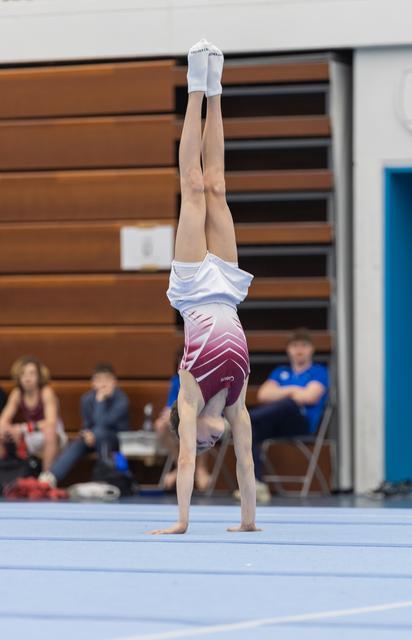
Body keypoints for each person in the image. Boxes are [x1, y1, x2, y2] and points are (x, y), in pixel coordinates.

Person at [150, 39, 259, 535]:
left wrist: (181, 521)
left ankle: (194, 88)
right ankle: (216, 89)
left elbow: (188, 467)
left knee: (191, 187)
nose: (205, 446)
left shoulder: (190, 398)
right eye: (206, 444)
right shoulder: (235, 402)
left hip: (195, 287)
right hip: (229, 290)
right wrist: (248, 522)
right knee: (216, 184)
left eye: (197, 442)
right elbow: (247, 465)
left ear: (185, 427)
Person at [248, 327, 329, 502]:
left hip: (302, 423)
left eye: (304, 345)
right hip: (278, 423)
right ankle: (256, 484)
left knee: (287, 404)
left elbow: (310, 396)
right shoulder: (280, 371)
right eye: (295, 345)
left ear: (311, 349)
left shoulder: (318, 371)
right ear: (288, 349)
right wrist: (294, 390)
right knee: (250, 431)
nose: (299, 350)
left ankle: (238, 421)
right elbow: (263, 395)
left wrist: (283, 391)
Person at [39, 363, 130, 486]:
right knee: (78, 443)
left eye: (107, 379)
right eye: (99, 379)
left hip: (115, 438)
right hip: (92, 438)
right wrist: (86, 434)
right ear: (93, 383)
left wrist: (100, 402)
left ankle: (104, 480)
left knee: (101, 435)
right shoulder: (86, 399)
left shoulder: (122, 400)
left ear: (114, 382)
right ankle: (50, 477)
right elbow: (86, 424)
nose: (103, 384)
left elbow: (104, 422)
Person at [154, 348, 213, 492]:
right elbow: (170, 407)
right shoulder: (176, 382)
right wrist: (167, 414)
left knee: (201, 422)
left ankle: (200, 468)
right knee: (161, 425)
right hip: (184, 421)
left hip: (211, 421)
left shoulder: (208, 379)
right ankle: (181, 466)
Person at [0, 355, 67, 470]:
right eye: (23, 374)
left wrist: (21, 429)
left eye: (32, 374)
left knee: (49, 433)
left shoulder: (46, 392)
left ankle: (47, 479)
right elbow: (3, 420)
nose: (27, 378)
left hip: (54, 436)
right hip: (31, 435)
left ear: (39, 376)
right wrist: (7, 430)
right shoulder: (17, 393)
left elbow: (50, 423)